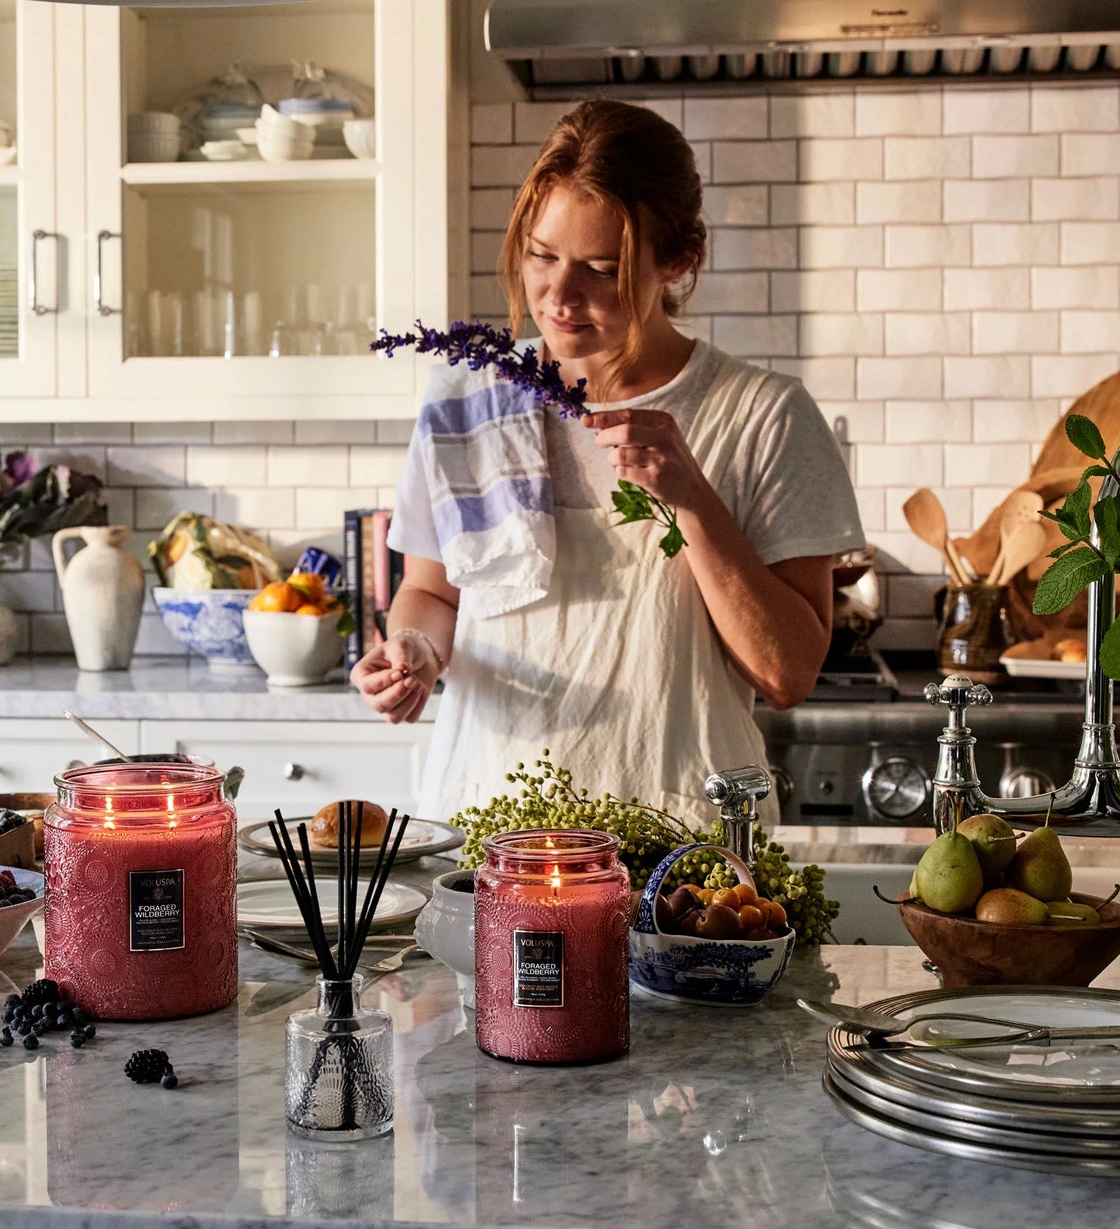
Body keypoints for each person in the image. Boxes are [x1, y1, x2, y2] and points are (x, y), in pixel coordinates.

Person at [352, 99, 865, 824]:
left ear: (677, 260)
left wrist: (691, 499)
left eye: (600, 268)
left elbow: (787, 674)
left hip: (678, 843)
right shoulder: (467, 400)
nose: (559, 297)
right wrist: (413, 651)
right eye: (541, 255)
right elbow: (431, 593)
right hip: (490, 830)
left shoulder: (762, 414)